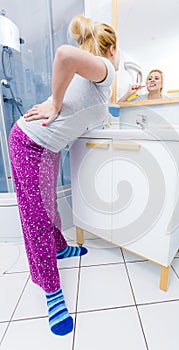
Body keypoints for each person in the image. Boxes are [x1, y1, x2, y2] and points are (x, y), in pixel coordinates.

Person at [8, 15, 119, 336]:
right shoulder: (106, 68)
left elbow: (87, 111)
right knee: (37, 217)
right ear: (111, 49)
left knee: (50, 207)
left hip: (47, 147)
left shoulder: (91, 79)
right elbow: (63, 55)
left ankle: (58, 248)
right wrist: (54, 103)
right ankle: (51, 290)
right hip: (30, 143)